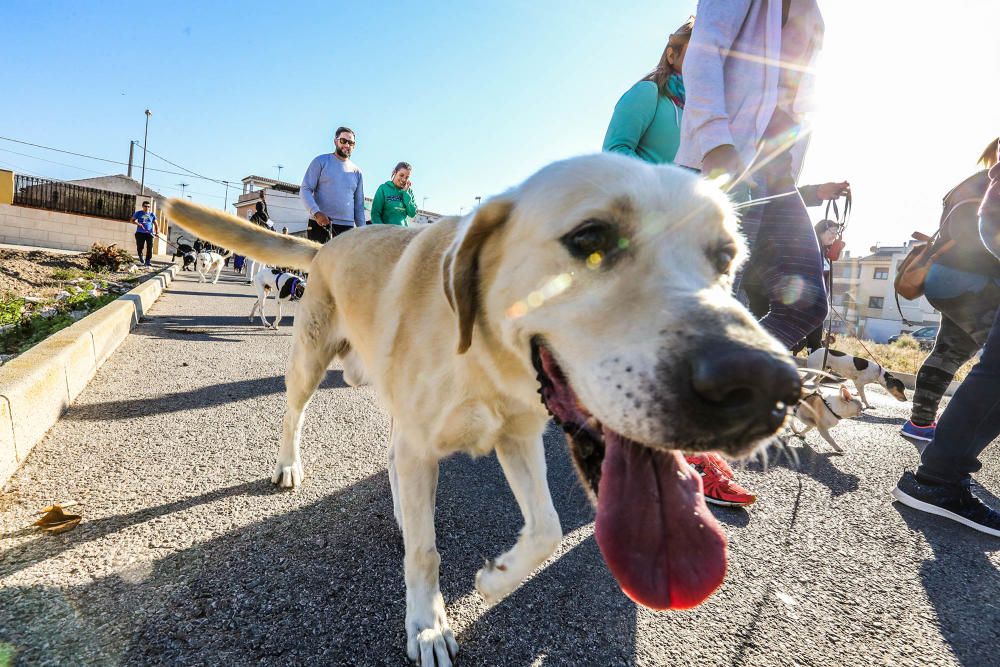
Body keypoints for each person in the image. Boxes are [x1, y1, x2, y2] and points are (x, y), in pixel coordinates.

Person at [602, 16, 763, 507]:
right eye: (701, 48)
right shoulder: (648, 95)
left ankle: (674, 440)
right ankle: (683, 450)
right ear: (675, 53)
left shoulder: (711, 114)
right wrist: (669, 190)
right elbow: (615, 154)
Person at [892, 140, 1000, 537]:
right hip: (974, 279)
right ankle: (939, 470)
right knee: (994, 366)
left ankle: (921, 424)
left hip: (945, 279)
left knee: (951, 352)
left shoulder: (967, 183)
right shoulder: (984, 186)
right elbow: (976, 230)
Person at [301, 126, 366, 243]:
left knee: (345, 262)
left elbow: (359, 205)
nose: (347, 145)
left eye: (351, 143)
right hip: (321, 225)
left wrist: (363, 231)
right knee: (320, 261)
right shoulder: (321, 161)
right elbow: (305, 189)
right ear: (335, 141)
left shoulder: (357, 172)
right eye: (343, 141)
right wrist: (316, 213)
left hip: (347, 229)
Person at [371, 162, 418, 226]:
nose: (404, 179)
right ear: (395, 173)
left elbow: (412, 213)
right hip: (386, 233)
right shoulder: (383, 188)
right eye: (401, 175)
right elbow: (375, 214)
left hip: (403, 233)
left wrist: (405, 193)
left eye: (407, 177)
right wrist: (382, 231)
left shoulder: (409, 191)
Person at [130, 201, 156, 267]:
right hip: (140, 233)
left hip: (149, 234)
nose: (147, 207)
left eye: (148, 206)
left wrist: (157, 232)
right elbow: (131, 220)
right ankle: (140, 255)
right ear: (142, 206)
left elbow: (156, 224)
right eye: (145, 206)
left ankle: (148, 261)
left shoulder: (152, 214)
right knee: (140, 246)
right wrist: (138, 223)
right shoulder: (138, 213)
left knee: (150, 247)